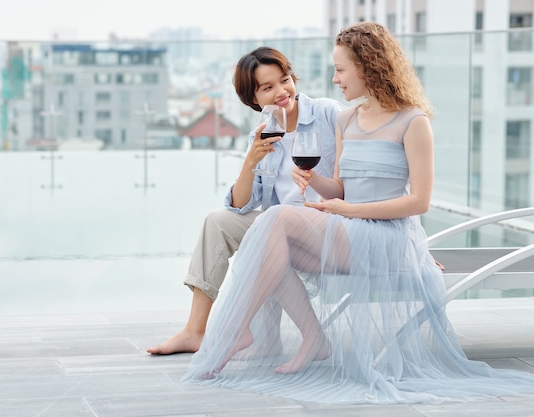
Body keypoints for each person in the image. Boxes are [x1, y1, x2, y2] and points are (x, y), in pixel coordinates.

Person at [182, 22, 534, 404]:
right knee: (272, 241)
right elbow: (340, 189)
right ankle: (312, 338)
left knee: (277, 219)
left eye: (340, 70)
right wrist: (313, 179)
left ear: (368, 67)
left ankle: (234, 331)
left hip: (388, 238)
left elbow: (419, 202)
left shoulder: (413, 122)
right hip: (349, 232)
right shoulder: (347, 119)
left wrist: (346, 209)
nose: (334, 80)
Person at [147, 47, 346, 355]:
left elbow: (359, 177)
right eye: (268, 88)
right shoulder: (265, 133)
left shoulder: (328, 114)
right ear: (253, 99)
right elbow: (240, 206)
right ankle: (195, 331)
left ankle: (244, 329)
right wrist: (250, 161)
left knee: (269, 228)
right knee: (217, 221)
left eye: (285, 80)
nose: (281, 92)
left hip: (325, 225)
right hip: (279, 225)